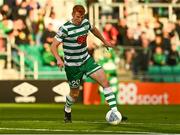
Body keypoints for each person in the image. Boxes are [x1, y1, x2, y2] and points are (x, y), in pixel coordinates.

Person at [51, 5, 127, 123]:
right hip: (72, 67)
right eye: (77, 17)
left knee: (105, 82)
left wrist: (104, 41)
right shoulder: (65, 28)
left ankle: (115, 112)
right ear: (72, 14)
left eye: (81, 17)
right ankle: (67, 108)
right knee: (74, 94)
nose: (79, 19)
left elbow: (94, 29)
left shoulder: (85, 23)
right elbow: (53, 45)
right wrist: (58, 59)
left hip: (86, 60)